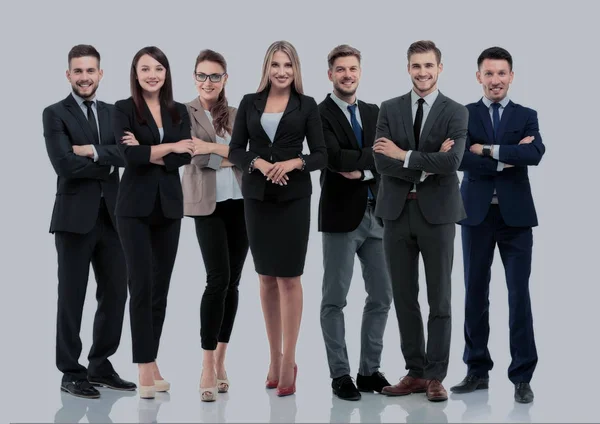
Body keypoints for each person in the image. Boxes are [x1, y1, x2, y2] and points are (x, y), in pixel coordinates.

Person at [228, 40, 327, 397]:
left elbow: (320, 155)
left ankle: (291, 360)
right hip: (257, 198)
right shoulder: (249, 103)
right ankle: (274, 356)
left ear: (295, 69)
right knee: (266, 278)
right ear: (266, 68)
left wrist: (293, 162)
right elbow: (236, 149)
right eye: (275, 65)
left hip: (293, 199)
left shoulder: (307, 105)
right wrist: (259, 163)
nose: (281, 71)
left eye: (287, 65)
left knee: (289, 278)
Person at [372, 40, 468, 402]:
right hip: (396, 213)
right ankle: (414, 371)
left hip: (439, 216)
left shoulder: (456, 112)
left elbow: (453, 162)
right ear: (408, 68)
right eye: (416, 66)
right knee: (404, 296)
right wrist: (426, 163)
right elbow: (381, 163)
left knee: (439, 298)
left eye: (429, 66)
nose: (423, 73)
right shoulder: (389, 108)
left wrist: (405, 155)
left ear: (440, 68)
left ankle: (436, 376)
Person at [450, 47, 545, 404]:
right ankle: (477, 371)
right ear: (479, 77)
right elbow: (457, 157)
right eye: (489, 74)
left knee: (519, 295)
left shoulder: (527, 115)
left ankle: (522, 376)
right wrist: (507, 155)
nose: (495, 80)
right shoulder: (463, 113)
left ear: (511, 76)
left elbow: (534, 154)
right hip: (475, 216)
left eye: (501, 73)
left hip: (516, 218)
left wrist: (486, 151)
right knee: (475, 291)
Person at [42, 44, 136, 399]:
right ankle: (70, 370)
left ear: (100, 74)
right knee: (71, 296)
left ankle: (100, 364)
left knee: (115, 294)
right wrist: (108, 159)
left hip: (114, 218)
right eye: (78, 71)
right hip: (73, 220)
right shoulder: (54, 113)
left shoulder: (116, 113)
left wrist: (93, 151)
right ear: (69, 75)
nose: (84, 77)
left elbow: (130, 154)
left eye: (90, 71)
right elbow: (63, 164)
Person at [113, 46, 195, 399]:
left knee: (160, 290)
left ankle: (153, 361)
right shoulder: (122, 109)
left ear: (166, 73)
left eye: (158, 68)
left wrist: (150, 151)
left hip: (169, 209)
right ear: (135, 73)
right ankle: (144, 368)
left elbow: (187, 153)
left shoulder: (179, 111)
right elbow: (127, 156)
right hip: (133, 209)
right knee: (141, 286)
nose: (152, 74)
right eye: (144, 68)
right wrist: (167, 149)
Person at [317, 44, 392, 401]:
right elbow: (333, 157)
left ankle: (368, 371)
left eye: (353, 69)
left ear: (360, 72)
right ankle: (340, 374)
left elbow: (385, 154)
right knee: (335, 299)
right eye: (341, 69)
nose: (348, 74)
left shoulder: (375, 111)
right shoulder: (319, 114)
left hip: (376, 214)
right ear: (330, 74)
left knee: (382, 295)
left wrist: (361, 167)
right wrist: (371, 159)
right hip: (340, 218)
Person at [181, 49, 249, 402]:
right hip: (206, 206)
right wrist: (225, 154)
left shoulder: (237, 114)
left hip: (241, 205)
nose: (208, 82)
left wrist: (216, 151)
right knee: (217, 279)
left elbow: (248, 156)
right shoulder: (184, 113)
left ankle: (222, 360)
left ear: (225, 79)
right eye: (202, 75)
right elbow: (193, 155)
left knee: (234, 283)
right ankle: (206, 364)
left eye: (215, 76)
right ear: (195, 78)